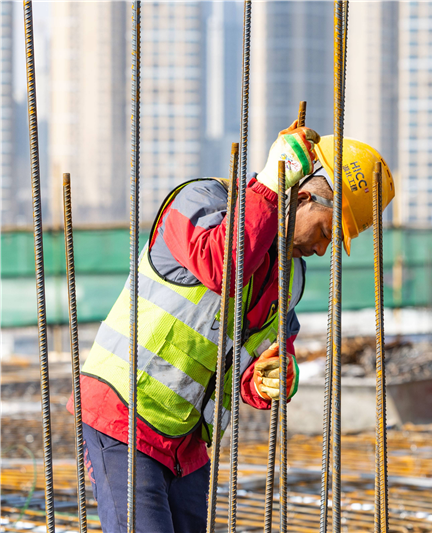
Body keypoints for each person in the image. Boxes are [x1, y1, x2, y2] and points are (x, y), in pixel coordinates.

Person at [68, 124, 395, 533]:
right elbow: (219, 265)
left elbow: (262, 358)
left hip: (188, 441)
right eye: (328, 230)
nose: (323, 248)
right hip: (125, 415)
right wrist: (270, 186)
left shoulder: (289, 274)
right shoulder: (202, 202)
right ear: (304, 196)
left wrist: (270, 379)